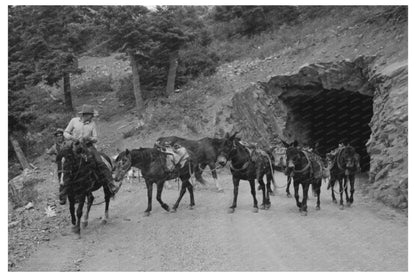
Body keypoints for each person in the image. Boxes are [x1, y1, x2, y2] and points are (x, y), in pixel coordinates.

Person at [63, 104, 119, 199]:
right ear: (85, 114)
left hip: (88, 146)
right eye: (90, 115)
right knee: (65, 162)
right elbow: (65, 132)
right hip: (75, 146)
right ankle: (65, 187)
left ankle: (111, 184)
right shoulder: (74, 121)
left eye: (92, 115)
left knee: (100, 162)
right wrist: (72, 137)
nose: (91, 117)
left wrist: (89, 138)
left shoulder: (92, 124)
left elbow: (96, 138)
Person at [47, 128, 66, 204]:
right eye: (58, 136)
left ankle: (76, 196)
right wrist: (54, 159)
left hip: (70, 164)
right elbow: (48, 154)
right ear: (56, 137)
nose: (59, 137)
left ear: (63, 136)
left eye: (61, 135)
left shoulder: (67, 143)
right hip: (60, 166)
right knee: (62, 182)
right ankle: (63, 198)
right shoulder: (54, 147)